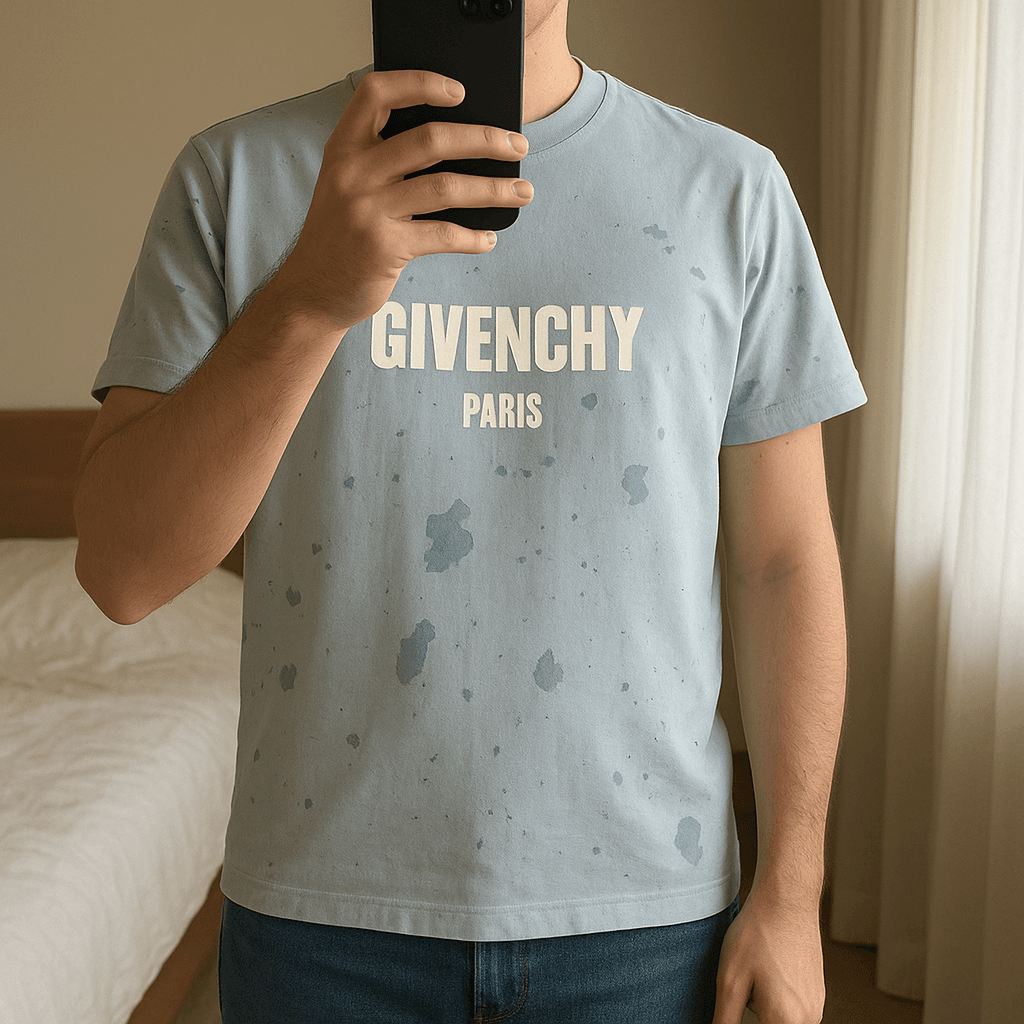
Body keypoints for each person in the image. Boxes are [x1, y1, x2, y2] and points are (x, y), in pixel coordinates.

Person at [74, 2, 865, 1021]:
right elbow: (122, 571)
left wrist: (792, 895)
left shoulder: (730, 191)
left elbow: (783, 563)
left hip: (644, 921)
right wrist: (309, 296)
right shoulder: (235, 179)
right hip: (325, 926)